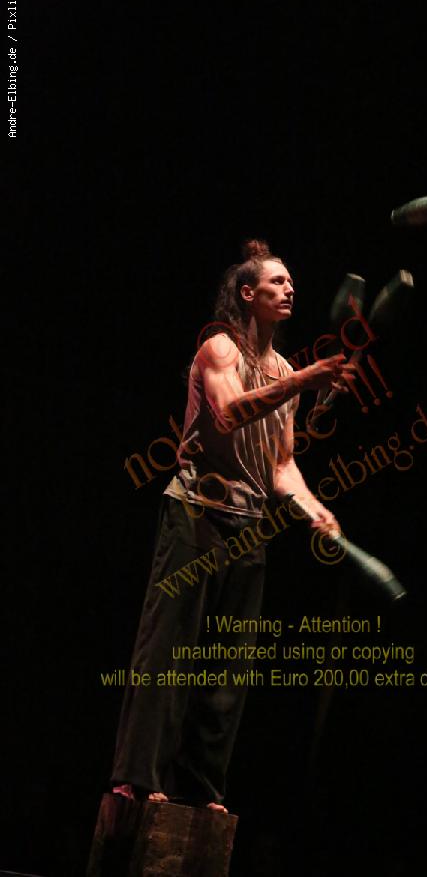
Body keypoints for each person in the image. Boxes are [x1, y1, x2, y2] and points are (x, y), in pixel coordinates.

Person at [110, 239, 354, 812]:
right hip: (195, 513)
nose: (289, 288)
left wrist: (313, 507)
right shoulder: (219, 347)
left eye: (290, 282)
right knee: (169, 650)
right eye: (277, 282)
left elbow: (281, 464)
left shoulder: (284, 369)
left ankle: (201, 788)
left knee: (229, 665)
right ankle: (139, 779)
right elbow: (227, 414)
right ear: (248, 293)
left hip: (249, 525)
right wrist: (303, 382)